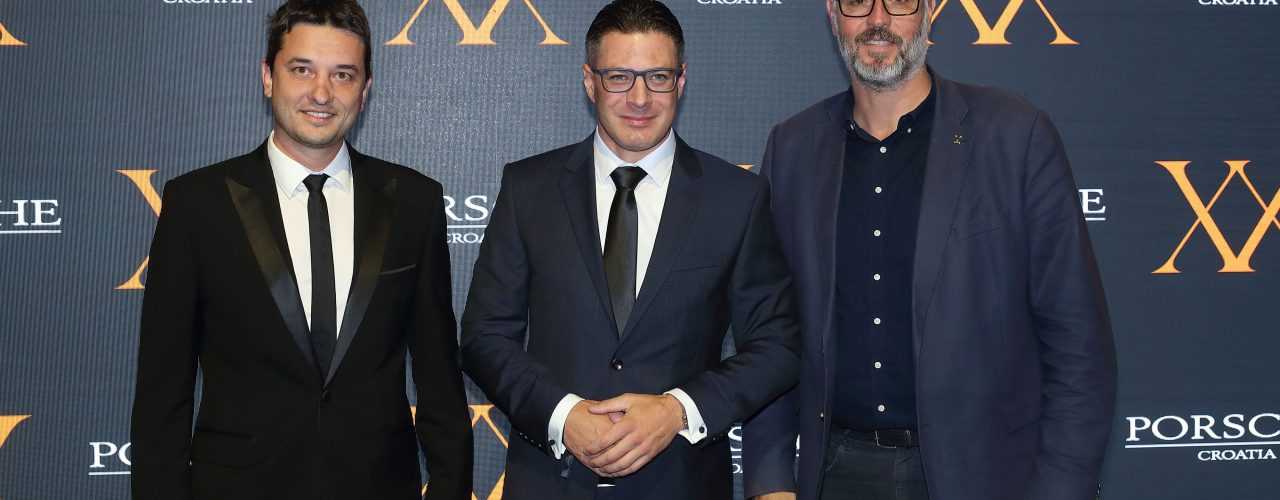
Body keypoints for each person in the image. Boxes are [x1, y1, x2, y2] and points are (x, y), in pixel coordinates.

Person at [744, 1, 1117, 499]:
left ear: (929, 10)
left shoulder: (1014, 135)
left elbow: (1078, 344)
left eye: (899, 1)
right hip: (836, 473)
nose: (878, 19)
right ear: (833, 12)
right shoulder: (792, 148)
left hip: (985, 477)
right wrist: (770, 481)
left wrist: (1062, 489)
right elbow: (771, 333)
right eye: (856, 1)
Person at [129, 2, 471, 499]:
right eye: (302, 70)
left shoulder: (414, 202)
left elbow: (440, 381)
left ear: (365, 90)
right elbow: (163, 394)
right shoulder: (196, 204)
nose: (321, 93)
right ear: (268, 77)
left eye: (343, 75)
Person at [460, 1, 799, 499]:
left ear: (681, 81)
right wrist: (564, 416)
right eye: (619, 77)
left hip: (681, 484)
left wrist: (677, 410)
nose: (639, 98)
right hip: (552, 484)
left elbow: (777, 346)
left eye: (657, 77)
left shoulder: (736, 198)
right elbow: (484, 336)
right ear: (589, 81)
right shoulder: (528, 188)